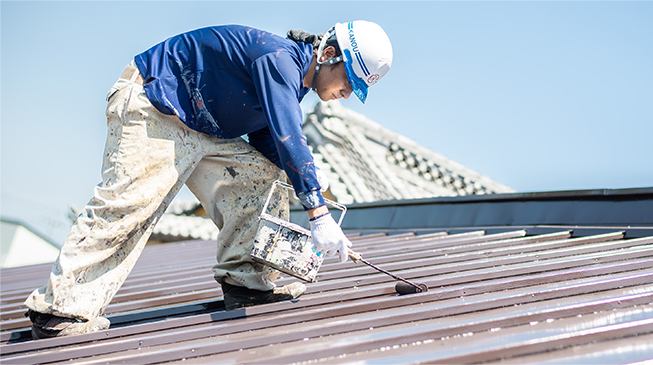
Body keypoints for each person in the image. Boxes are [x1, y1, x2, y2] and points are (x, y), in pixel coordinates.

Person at [23, 20, 393, 340]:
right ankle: (59, 313)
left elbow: (269, 138)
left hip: (203, 127)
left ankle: (245, 283)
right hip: (156, 104)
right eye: (349, 80)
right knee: (130, 203)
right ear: (328, 53)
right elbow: (287, 134)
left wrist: (299, 171)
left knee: (260, 176)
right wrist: (318, 212)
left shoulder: (294, 82)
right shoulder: (278, 59)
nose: (347, 92)